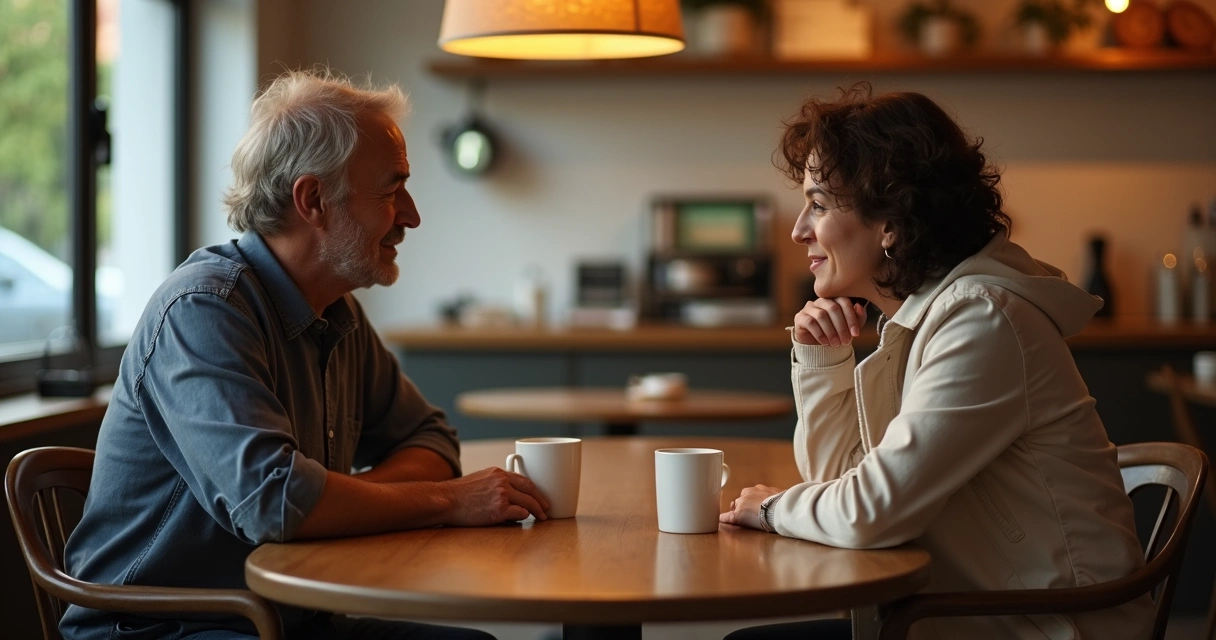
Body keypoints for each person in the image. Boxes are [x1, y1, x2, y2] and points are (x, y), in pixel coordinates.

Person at [60, 69, 551, 640]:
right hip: (167, 628)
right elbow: (275, 501)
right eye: (392, 190)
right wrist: (446, 500)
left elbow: (430, 439)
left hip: (282, 617)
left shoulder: (335, 310)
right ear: (313, 199)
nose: (411, 215)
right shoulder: (203, 310)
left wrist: (341, 501)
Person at [719, 83, 1154, 639]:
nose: (798, 229)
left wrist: (774, 508)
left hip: (1044, 629)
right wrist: (823, 363)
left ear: (891, 224)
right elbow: (841, 483)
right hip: (964, 617)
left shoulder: (983, 322)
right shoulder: (919, 322)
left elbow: (869, 513)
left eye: (819, 204)